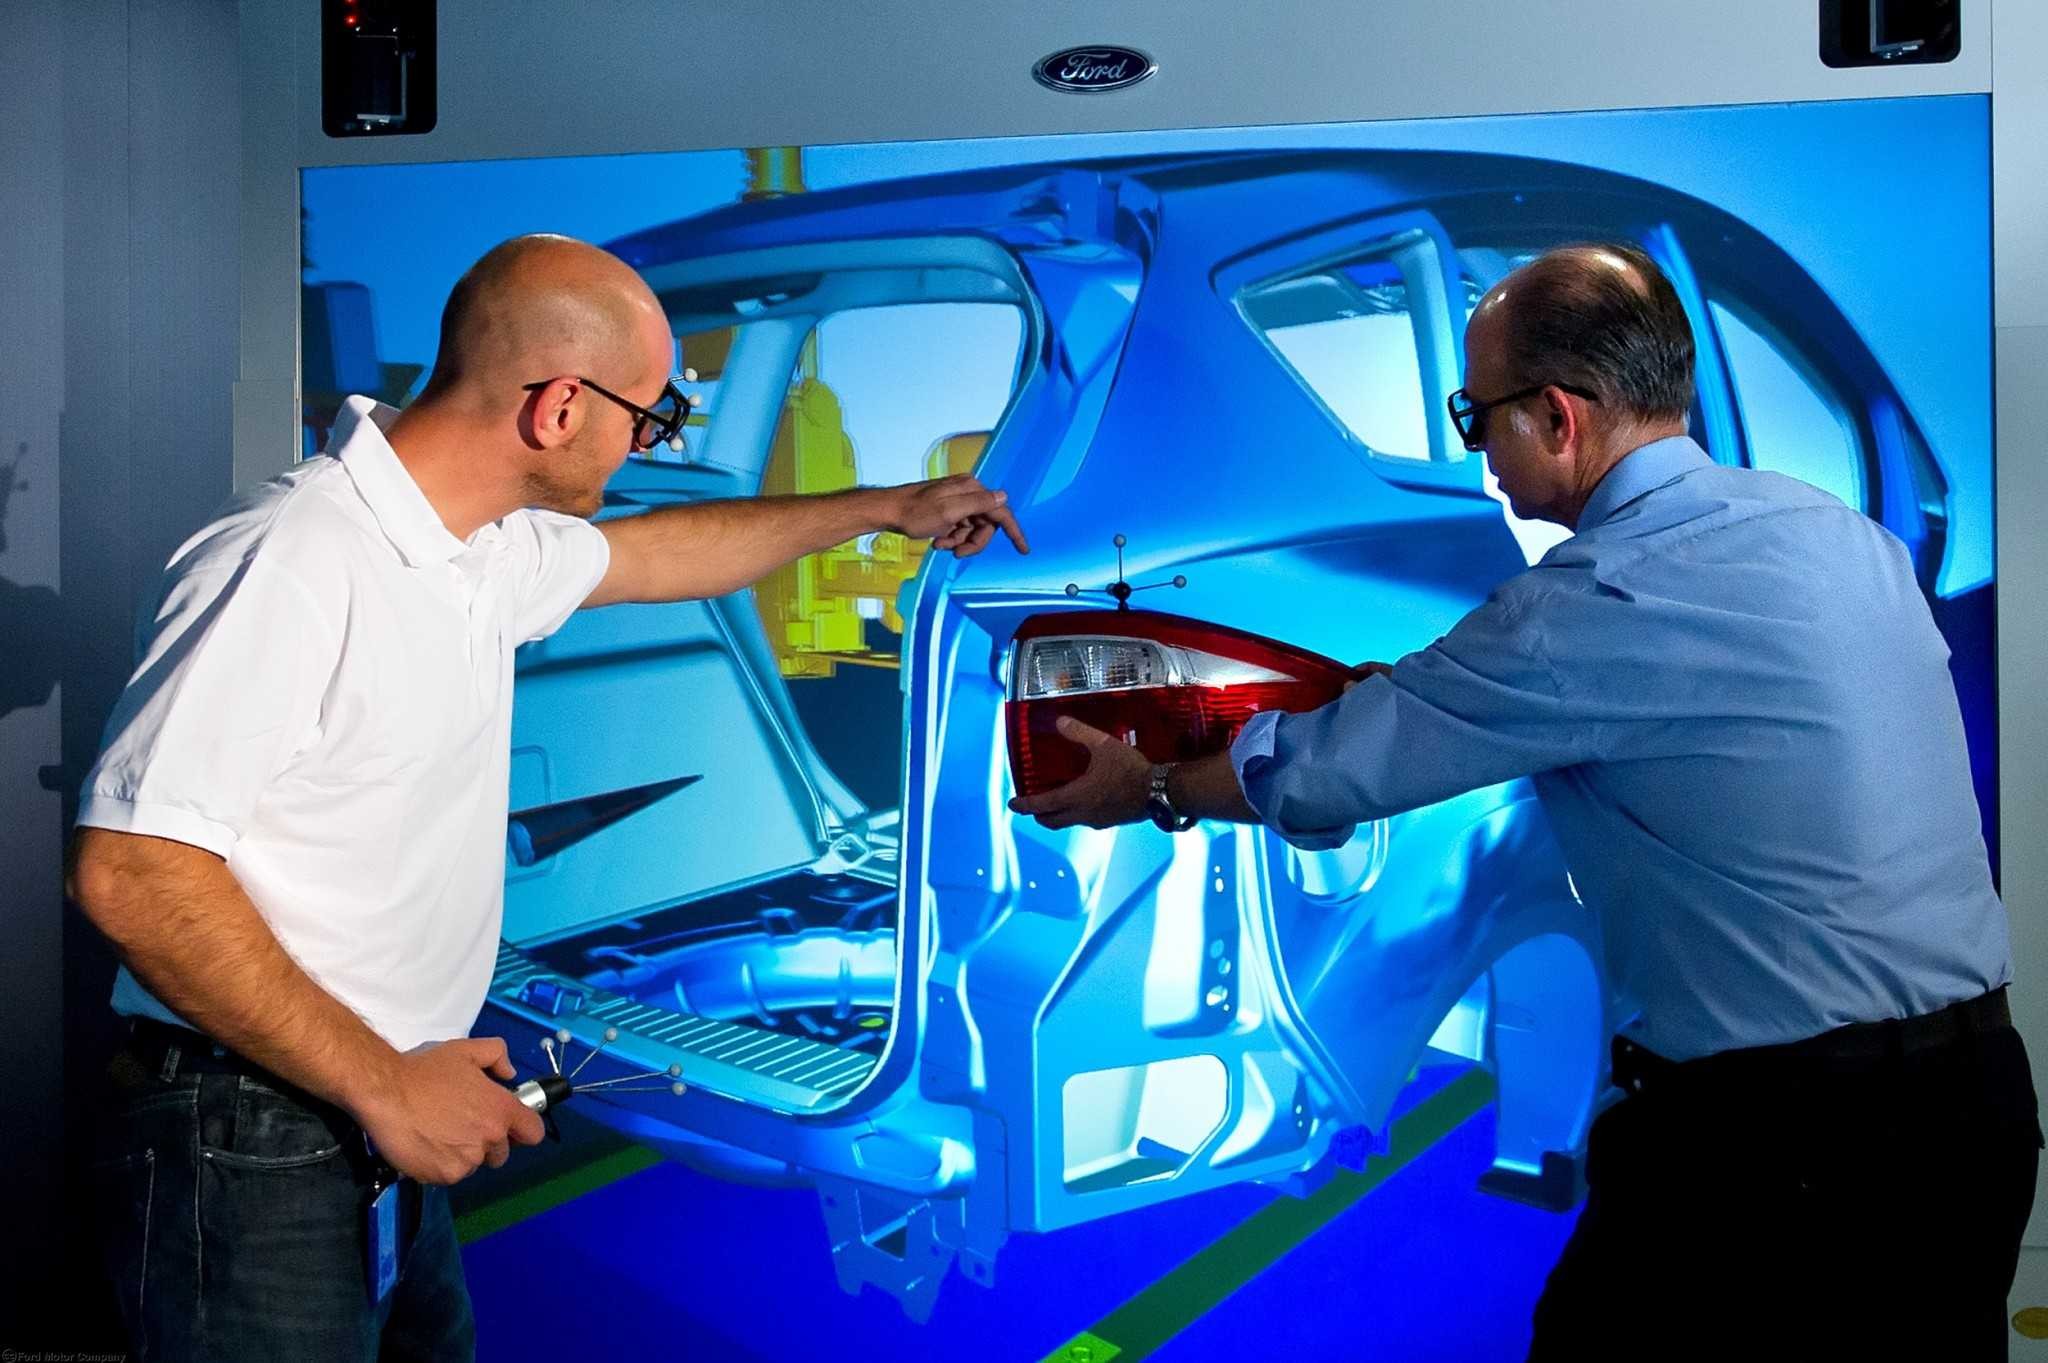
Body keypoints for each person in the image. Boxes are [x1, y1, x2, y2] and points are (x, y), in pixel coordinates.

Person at [1011, 242, 2038, 1358]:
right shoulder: (1842, 536)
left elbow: (1325, 770)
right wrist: (1426, 701)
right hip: (1975, 1111)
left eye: (1476, 415)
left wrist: (1152, 784)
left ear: (1556, 417)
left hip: (1780, 1149)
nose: (1476, 451)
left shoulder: (1593, 600)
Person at [65, 233, 1028, 1361]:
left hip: (373, 1109)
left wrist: (888, 506)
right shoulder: (296, 556)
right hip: (257, 1131)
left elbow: (663, 555)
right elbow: (131, 870)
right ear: (561, 407)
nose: (651, 444)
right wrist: (384, 1083)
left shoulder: (478, 552)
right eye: (650, 418)